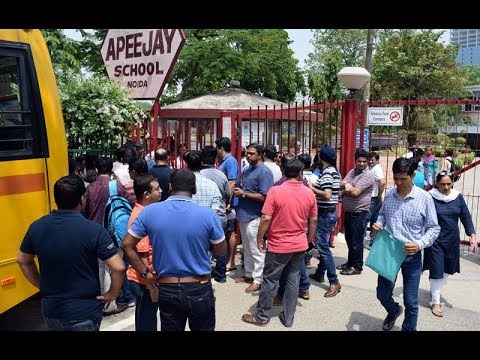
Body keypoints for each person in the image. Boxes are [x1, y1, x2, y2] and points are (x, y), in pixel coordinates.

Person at [17, 175, 125, 331]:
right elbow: (119, 267)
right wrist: (112, 294)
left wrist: (41, 284)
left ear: (56, 199)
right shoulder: (95, 230)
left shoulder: (37, 227)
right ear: (83, 199)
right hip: (84, 311)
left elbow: (23, 260)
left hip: (51, 310)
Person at [122, 169, 226, 331]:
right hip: (199, 287)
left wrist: (145, 274)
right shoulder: (208, 215)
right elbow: (220, 251)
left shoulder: (149, 212)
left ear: (170, 187)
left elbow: (127, 245)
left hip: (167, 288)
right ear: (194, 189)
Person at [241, 159, 317, 327]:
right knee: (292, 280)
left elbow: (266, 218)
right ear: (300, 174)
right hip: (299, 244)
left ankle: (262, 316)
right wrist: (309, 240)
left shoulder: (275, 191)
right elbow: (313, 220)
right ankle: (288, 317)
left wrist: (260, 238)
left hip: (278, 245)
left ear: (283, 172)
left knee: (270, 280)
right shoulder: (309, 193)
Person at [372, 157, 440, 331]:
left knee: (411, 301)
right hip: (389, 253)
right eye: (396, 178)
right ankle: (393, 310)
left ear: (413, 175)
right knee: (382, 293)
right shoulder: (389, 195)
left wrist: (419, 243)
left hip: (412, 256)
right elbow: (382, 215)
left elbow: (434, 228)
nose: (399, 182)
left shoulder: (424, 198)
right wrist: (379, 224)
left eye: (403, 178)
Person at [424, 171, 477, 317]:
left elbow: (465, 216)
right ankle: (436, 301)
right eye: (442, 184)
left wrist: (472, 235)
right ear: (437, 184)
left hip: (452, 240)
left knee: (447, 269)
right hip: (435, 240)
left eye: (448, 184)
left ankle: (436, 289)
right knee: (436, 269)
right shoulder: (430, 197)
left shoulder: (457, 197)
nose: (446, 187)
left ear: (452, 183)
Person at [233, 143, 274, 293]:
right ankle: (249, 274)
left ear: (260, 155)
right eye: (247, 153)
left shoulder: (264, 172)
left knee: (256, 249)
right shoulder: (247, 169)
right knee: (247, 248)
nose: (248, 156)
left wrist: (243, 194)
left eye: (251, 153)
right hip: (244, 214)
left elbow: (265, 196)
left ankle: (259, 279)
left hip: (255, 216)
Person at [126, 174, 161, 331]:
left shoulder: (144, 212)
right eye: (157, 189)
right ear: (146, 194)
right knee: (147, 323)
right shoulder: (141, 216)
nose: (160, 191)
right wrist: (151, 282)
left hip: (143, 279)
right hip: (144, 280)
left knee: (144, 319)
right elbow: (141, 254)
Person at [308, 145, 342, 297]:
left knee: (323, 248)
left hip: (325, 213)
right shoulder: (333, 171)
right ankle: (320, 272)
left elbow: (327, 194)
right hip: (329, 212)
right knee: (323, 245)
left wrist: (311, 187)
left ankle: (334, 282)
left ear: (322, 158)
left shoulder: (327, 173)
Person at [338, 149, 374, 275]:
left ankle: (357, 267)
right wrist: (346, 186)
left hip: (360, 213)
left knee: (357, 242)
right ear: (355, 161)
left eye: (365, 161)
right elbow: (341, 184)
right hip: (349, 212)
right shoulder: (353, 172)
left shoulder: (368, 175)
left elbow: (355, 192)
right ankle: (350, 262)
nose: (362, 164)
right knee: (349, 239)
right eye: (359, 161)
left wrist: (346, 188)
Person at [366, 151, 386, 245]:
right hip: (374, 199)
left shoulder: (377, 169)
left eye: (372, 160)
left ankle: (370, 240)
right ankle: (373, 241)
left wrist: (379, 195)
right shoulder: (372, 168)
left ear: (377, 161)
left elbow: (382, 183)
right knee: (374, 220)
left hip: (374, 199)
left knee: (366, 219)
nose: (370, 162)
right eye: (369, 160)